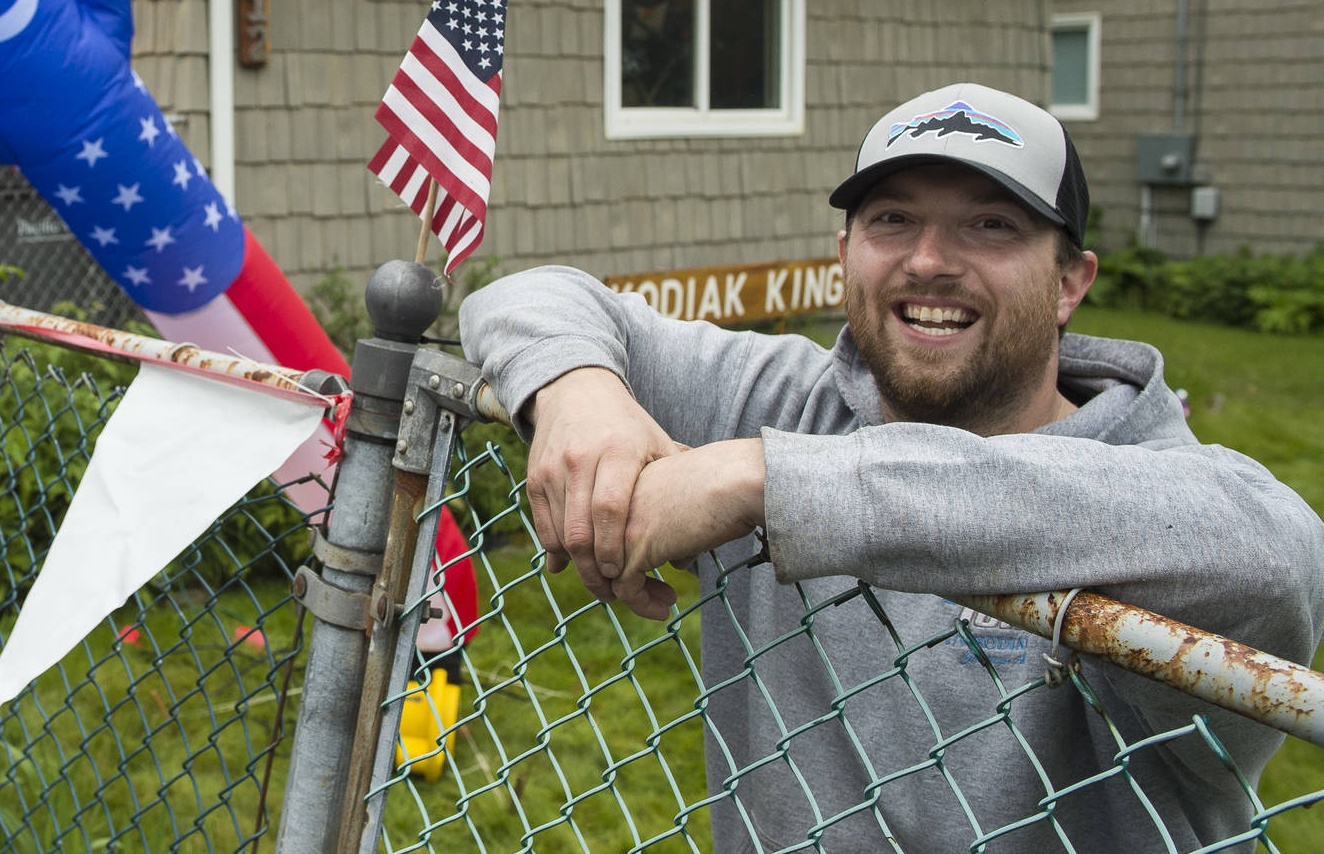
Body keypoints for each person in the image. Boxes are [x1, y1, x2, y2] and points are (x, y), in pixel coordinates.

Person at [459, 83, 1324, 854]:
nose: (928, 260)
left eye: (992, 224)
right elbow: (523, 295)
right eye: (892, 219)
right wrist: (581, 395)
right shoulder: (790, 397)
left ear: (1070, 282)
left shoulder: (1144, 487)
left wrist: (771, 481)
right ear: (844, 253)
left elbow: (1277, 556)